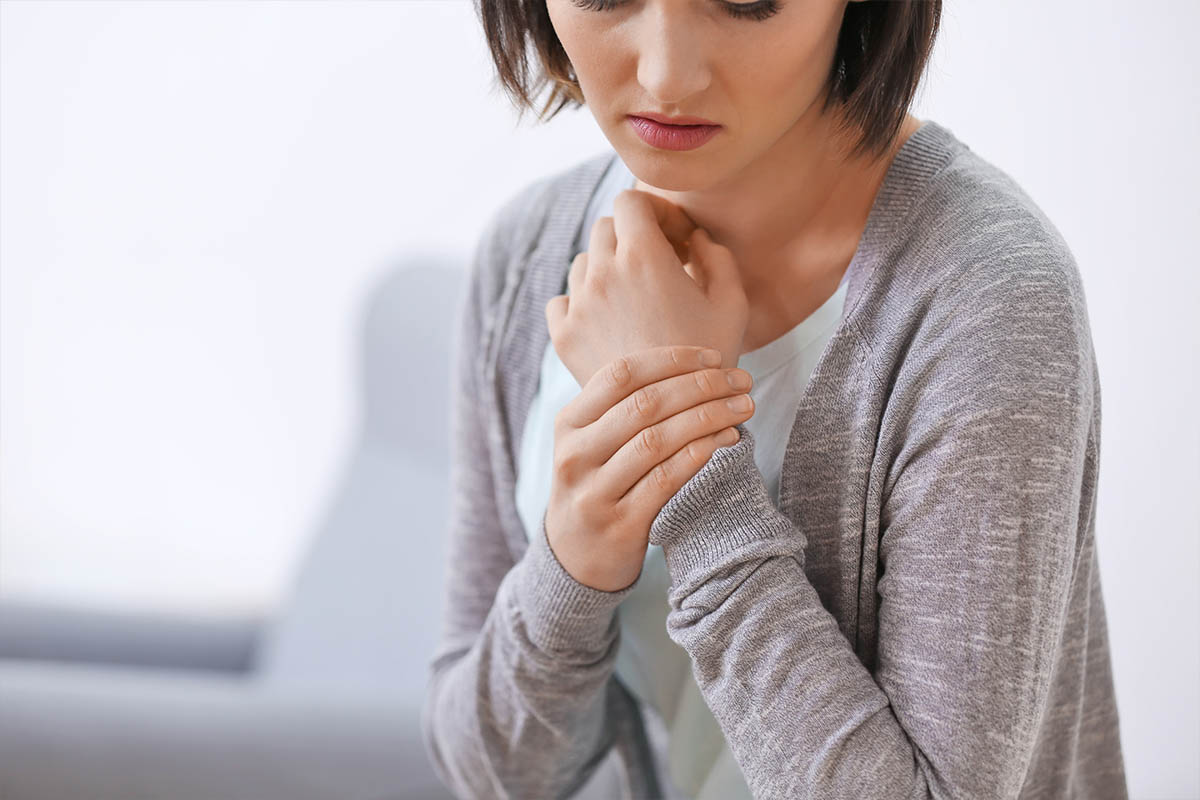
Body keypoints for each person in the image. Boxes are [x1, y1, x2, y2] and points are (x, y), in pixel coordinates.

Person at [421, 1, 1130, 798]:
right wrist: (572, 565)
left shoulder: (986, 299)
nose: (666, 74)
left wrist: (688, 464)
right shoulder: (528, 255)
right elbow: (491, 771)